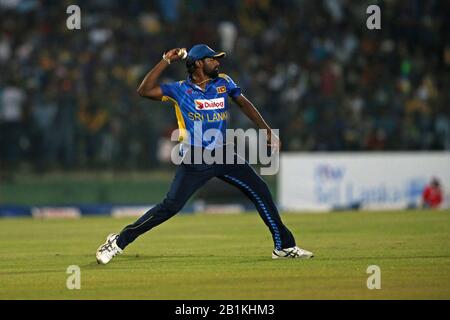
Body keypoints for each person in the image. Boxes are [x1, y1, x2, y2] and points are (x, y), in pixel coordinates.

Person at [95, 44, 313, 264]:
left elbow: (244, 104)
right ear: (199, 63)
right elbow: (143, 90)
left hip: (223, 154)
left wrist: (266, 130)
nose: (218, 62)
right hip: (195, 159)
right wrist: (166, 60)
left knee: (260, 190)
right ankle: (117, 242)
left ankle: (284, 246)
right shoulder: (179, 90)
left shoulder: (223, 82)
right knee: (169, 208)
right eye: (213, 59)